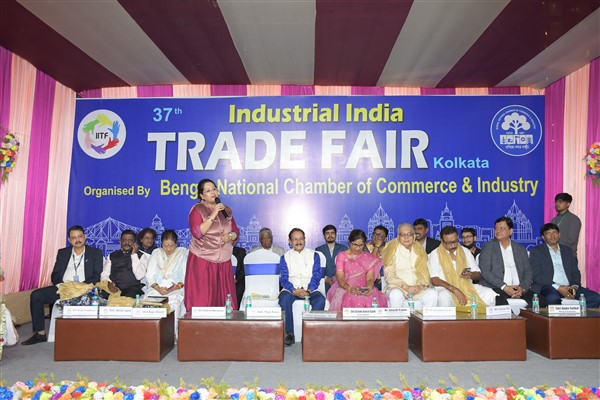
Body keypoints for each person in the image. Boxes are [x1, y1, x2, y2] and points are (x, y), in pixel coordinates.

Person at [22, 225, 103, 345]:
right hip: (64, 289)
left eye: (80, 236)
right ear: (69, 240)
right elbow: (55, 274)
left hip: (84, 290)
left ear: (85, 237)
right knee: (36, 295)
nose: (77, 240)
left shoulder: (95, 253)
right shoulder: (63, 253)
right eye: (73, 237)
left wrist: (80, 286)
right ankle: (40, 333)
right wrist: (61, 286)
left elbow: (97, 275)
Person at [185, 179, 239, 310]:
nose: (213, 192)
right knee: (203, 302)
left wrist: (231, 236)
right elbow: (197, 233)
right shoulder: (197, 210)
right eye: (208, 191)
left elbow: (235, 230)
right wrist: (214, 213)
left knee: (224, 303)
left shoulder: (226, 210)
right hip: (203, 261)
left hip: (223, 263)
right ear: (202, 195)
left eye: (214, 189)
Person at [428, 226, 503, 311]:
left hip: (466, 286)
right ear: (442, 241)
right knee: (444, 296)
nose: (453, 245)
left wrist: (471, 275)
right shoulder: (435, 254)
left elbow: (478, 275)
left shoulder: (465, 251)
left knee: (489, 293)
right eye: (449, 243)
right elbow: (434, 279)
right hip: (445, 288)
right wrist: (454, 289)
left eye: (455, 241)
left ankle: (485, 319)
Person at [479, 217, 547, 307]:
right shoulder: (488, 247)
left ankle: (523, 315)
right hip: (498, 288)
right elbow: (485, 271)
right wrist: (504, 287)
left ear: (510, 231)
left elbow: (528, 272)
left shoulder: (520, 249)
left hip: (518, 288)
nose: (498, 231)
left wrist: (522, 288)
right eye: (496, 228)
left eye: (502, 228)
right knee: (502, 305)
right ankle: (514, 316)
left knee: (541, 302)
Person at [530, 223, 600, 307]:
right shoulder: (537, 251)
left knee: (596, 298)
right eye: (548, 233)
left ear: (559, 234)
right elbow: (536, 275)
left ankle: (577, 315)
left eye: (554, 232)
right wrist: (559, 288)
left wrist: (574, 287)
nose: (552, 235)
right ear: (543, 237)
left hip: (570, 287)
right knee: (553, 298)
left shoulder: (567, 250)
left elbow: (575, 272)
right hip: (549, 286)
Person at [279, 228, 325, 346]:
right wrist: (294, 290)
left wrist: (309, 290)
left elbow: (317, 275)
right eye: (295, 239)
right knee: (284, 299)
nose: (298, 242)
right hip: (291, 289)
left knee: (320, 299)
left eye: (301, 239)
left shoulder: (314, 255)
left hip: (311, 289)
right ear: (290, 241)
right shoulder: (285, 257)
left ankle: (310, 332)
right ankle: (289, 333)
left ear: (305, 240)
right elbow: (284, 279)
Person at [327, 229, 388, 311]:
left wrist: (369, 288)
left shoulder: (367, 257)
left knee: (370, 298)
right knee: (352, 298)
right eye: (355, 245)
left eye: (361, 245)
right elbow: (340, 278)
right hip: (345, 287)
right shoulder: (342, 256)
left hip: (364, 288)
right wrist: (350, 289)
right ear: (349, 242)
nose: (358, 248)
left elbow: (370, 278)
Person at [382, 223, 437, 309]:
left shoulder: (420, 251)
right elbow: (389, 275)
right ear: (398, 237)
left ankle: (425, 318)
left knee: (432, 294)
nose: (406, 237)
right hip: (398, 287)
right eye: (403, 234)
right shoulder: (391, 250)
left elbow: (425, 272)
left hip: (417, 288)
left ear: (414, 236)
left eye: (409, 234)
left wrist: (419, 286)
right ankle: (398, 318)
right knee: (395, 295)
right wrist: (405, 286)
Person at [145, 229, 188, 324]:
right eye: (165, 246)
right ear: (161, 244)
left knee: (174, 301)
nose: (168, 249)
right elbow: (149, 275)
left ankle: (174, 331)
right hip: (157, 288)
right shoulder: (156, 253)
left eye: (171, 245)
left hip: (176, 289)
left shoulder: (182, 253)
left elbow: (185, 278)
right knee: (149, 299)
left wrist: (174, 288)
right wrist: (158, 289)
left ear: (176, 244)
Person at [101, 229, 147, 299]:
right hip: (113, 288)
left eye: (130, 240)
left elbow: (139, 276)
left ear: (134, 242)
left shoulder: (141, 256)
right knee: (101, 295)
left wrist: (134, 255)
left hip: (132, 289)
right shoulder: (112, 255)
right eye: (124, 240)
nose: (127, 243)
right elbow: (105, 273)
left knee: (127, 297)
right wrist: (108, 283)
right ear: (120, 241)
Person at [315, 224, 348, 293]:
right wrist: (326, 279)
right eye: (327, 233)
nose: (330, 235)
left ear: (336, 234)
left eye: (332, 233)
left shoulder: (344, 249)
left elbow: (348, 268)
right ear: (324, 235)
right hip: (324, 285)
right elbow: (316, 269)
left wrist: (338, 279)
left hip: (341, 284)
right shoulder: (318, 250)